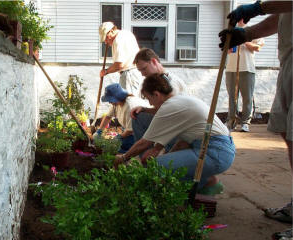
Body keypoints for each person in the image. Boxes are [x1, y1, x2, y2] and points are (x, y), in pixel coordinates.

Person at [219, 1, 292, 239]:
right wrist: (247, 33)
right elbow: (284, 13)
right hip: (288, 61)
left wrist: (259, 7)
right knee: (288, 135)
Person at [114, 73, 236, 192]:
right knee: (164, 166)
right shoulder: (181, 99)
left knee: (155, 169)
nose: (150, 103)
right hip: (217, 147)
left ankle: (205, 181)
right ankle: (202, 178)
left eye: (149, 99)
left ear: (156, 94)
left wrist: (123, 158)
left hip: (214, 152)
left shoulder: (169, 107)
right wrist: (159, 150)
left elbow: (144, 143)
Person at [225, 19, 264, 132]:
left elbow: (257, 47)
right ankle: (231, 121)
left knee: (247, 97)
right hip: (231, 68)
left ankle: (245, 122)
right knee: (232, 97)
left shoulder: (254, 31)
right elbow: (227, 50)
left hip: (247, 68)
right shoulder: (231, 32)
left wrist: (244, 40)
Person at [92, 83, 149, 153]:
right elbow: (108, 117)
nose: (109, 102)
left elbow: (131, 130)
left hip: (142, 132)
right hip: (130, 129)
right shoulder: (116, 103)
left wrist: (119, 137)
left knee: (123, 149)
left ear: (117, 98)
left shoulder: (130, 106)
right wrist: (99, 131)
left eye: (110, 100)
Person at [99, 22, 143, 97]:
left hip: (129, 75)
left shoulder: (118, 39)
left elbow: (119, 65)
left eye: (106, 37)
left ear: (111, 31)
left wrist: (106, 71)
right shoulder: (126, 33)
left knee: (128, 103)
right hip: (135, 73)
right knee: (133, 102)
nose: (106, 42)